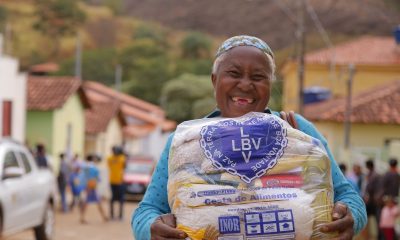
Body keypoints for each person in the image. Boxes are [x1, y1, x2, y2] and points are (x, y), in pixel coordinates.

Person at [131, 35, 367, 239]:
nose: (245, 84)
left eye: (258, 77)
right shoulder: (186, 142)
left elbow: (348, 196)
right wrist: (151, 229)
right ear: (215, 80)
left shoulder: (296, 130)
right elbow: (148, 209)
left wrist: (350, 217)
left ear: (270, 84)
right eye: (233, 73)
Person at [80, 154, 108, 223]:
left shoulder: (85, 167)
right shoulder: (93, 167)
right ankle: (104, 216)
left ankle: (82, 217)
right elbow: (97, 178)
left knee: (87, 202)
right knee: (97, 202)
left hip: (88, 186)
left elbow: (83, 178)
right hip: (92, 187)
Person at [107, 146, 126, 220]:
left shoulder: (110, 158)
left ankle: (119, 216)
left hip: (118, 181)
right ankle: (113, 215)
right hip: (115, 181)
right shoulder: (121, 158)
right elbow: (124, 166)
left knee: (119, 199)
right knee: (115, 199)